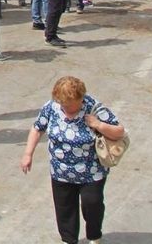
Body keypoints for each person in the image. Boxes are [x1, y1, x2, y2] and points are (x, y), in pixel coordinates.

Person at [21, 76, 126, 244]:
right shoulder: (51, 107)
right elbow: (37, 128)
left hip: (91, 171)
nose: (65, 108)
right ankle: (68, 240)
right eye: (62, 104)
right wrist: (28, 154)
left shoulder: (93, 107)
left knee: (92, 204)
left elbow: (119, 132)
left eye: (69, 105)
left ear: (80, 99)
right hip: (61, 171)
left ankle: (94, 235)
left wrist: (99, 125)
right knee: (64, 208)